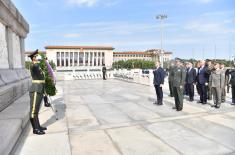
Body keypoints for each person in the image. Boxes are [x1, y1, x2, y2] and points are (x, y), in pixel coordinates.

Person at [28, 50, 47, 135]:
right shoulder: (33, 65)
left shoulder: (38, 66)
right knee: (33, 111)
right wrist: (42, 61)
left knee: (37, 110)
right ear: (33, 58)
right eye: (36, 56)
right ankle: (35, 129)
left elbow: (42, 76)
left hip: (39, 89)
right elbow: (36, 66)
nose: (38, 58)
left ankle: (38, 126)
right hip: (35, 89)